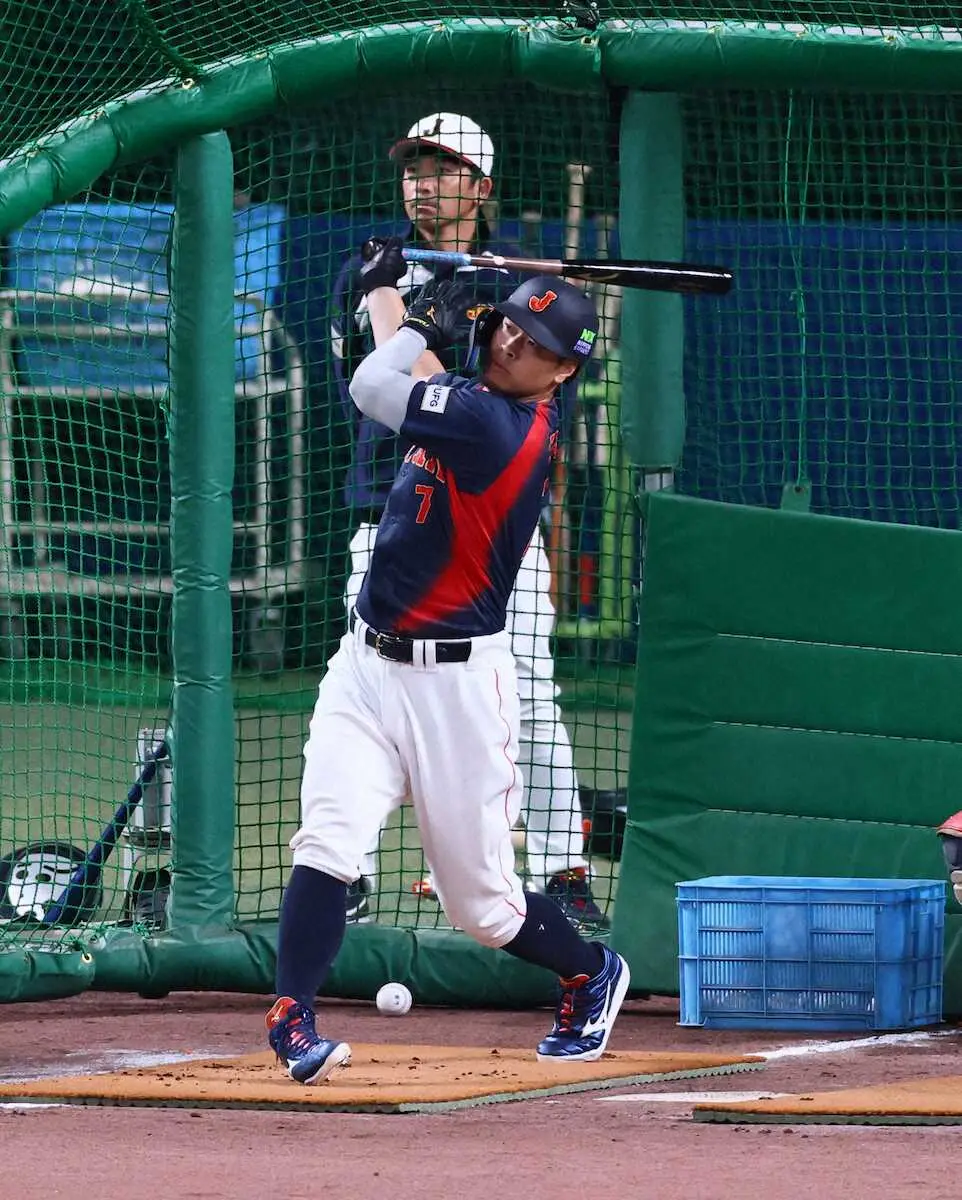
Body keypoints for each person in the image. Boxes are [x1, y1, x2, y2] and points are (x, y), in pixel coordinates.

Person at [266, 240, 629, 1084]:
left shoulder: (495, 426)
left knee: (482, 907)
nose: (511, 346)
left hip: (458, 689)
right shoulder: (474, 395)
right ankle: (293, 1018)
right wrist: (390, 291)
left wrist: (418, 308)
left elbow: (373, 385)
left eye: (536, 348)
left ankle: (588, 972)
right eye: (507, 329)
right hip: (366, 665)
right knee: (328, 841)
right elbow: (411, 366)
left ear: (562, 375)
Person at [330, 111, 607, 930]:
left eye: (445, 168)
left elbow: (473, 400)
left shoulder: (519, 287)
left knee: (528, 690)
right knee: (364, 695)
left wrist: (462, 304)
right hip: (389, 511)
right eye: (414, 166)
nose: (424, 182)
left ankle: (560, 869)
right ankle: (347, 873)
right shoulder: (369, 268)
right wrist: (398, 295)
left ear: (481, 188)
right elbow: (401, 389)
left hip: (494, 526)